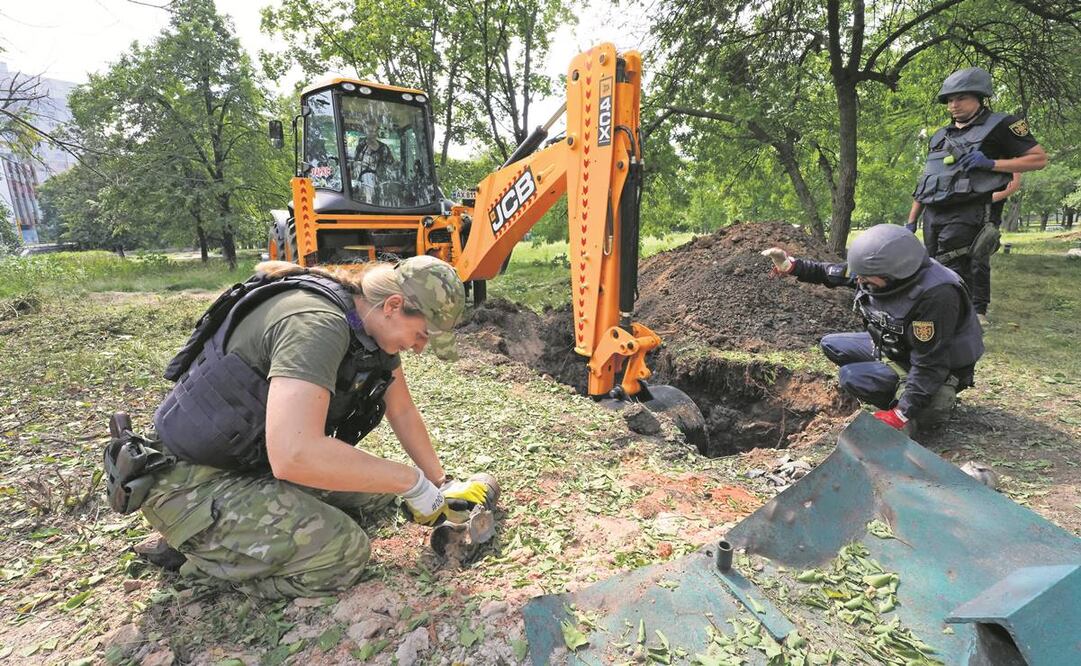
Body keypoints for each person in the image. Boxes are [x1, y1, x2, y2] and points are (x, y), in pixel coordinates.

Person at [125, 255, 489, 598]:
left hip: (249, 462)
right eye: (423, 334)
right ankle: (205, 559)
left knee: (379, 494)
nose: (421, 347)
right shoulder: (317, 325)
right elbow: (294, 455)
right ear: (393, 306)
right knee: (343, 554)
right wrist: (410, 481)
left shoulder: (368, 325)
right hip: (191, 483)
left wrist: (439, 483)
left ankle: (238, 535)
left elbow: (403, 411)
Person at [761, 224, 984, 435]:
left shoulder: (937, 295)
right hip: (899, 346)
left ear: (893, 274)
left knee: (851, 376)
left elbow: (930, 363)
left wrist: (901, 414)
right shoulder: (875, 273)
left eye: (865, 277)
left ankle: (918, 404)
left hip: (935, 366)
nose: (859, 280)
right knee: (832, 344)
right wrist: (791, 266)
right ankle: (888, 383)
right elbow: (832, 273)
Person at [906, 66, 1046, 301]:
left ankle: (965, 319)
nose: (954, 105)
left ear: (980, 98)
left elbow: (1038, 159)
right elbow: (927, 181)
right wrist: (911, 222)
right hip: (933, 214)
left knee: (957, 266)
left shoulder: (1003, 125)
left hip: (968, 211)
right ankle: (943, 317)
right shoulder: (940, 136)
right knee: (932, 267)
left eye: (961, 98)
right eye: (950, 100)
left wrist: (991, 164)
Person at [969, 172, 1021, 327]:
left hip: (988, 216)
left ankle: (979, 310)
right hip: (965, 213)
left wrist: (982, 199)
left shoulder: (1006, 154)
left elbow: (1014, 184)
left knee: (979, 261)